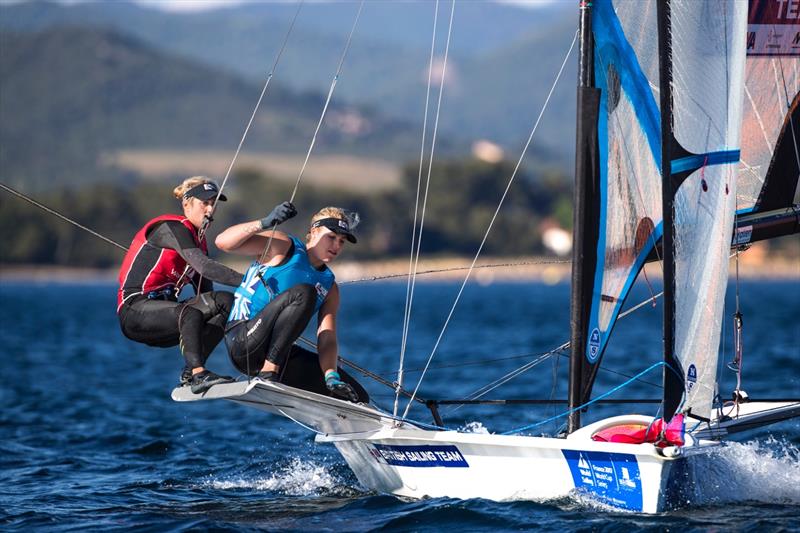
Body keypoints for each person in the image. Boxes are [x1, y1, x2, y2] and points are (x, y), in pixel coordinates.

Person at [117, 177, 284, 394]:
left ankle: (190, 372)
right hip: (134, 312)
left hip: (166, 319)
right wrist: (250, 281)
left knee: (225, 303)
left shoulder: (198, 243)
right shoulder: (171, 228)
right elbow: (205, 267)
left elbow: (208, 298)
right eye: (204, 202)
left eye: (213, 203)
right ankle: (198, 374)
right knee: (191, 313)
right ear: (186, 203)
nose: (210, 208)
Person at [215, 204, 363, 402]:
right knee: (305, 293)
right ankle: (269, 372)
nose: (336, 246)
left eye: (341, 241)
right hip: (243, 341)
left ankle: (343, 429)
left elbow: (326, 337)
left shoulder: (330, 287)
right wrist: (265, 222)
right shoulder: (284, 246)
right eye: (331, 237)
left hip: (277, 353)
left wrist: (331, 376)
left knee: (355, 394)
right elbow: (223, 242)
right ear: (314, 232)